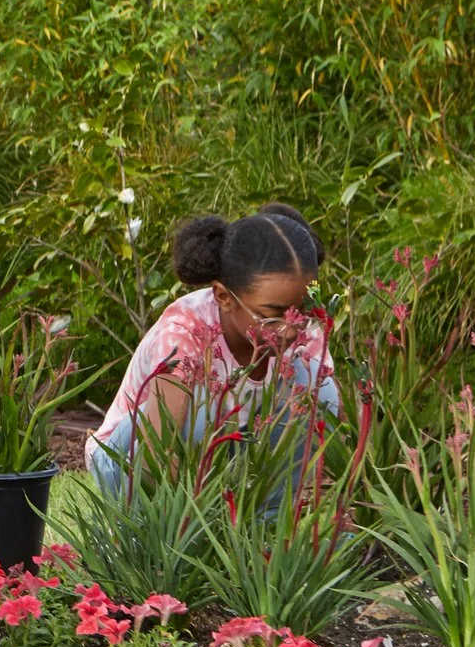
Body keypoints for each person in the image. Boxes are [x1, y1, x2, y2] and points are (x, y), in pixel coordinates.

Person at [84, 202, 338, 496]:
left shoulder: (302, 328)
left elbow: (334, 414)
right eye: (273, 314)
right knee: (200, 403)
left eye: (301, 311)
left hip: (226, 452)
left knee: (322, 387)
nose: (290, 329)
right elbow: (159, 448)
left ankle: (270, 520)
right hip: (131, 459)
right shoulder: (186, 328)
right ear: (223, 296)